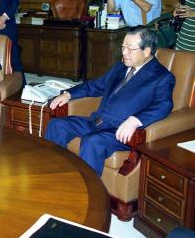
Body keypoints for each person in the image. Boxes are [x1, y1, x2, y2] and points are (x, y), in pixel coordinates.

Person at [45, 26, 175, 176]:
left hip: (119, 132)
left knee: (92, 141)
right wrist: (68, 94)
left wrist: (135, 120)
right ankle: (53, 174)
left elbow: (164, 105)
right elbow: (96, 86)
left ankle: (90, 194)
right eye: (123, 47)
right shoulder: (120, 67)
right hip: (96, 121)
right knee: (57, 124)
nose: (124, 53)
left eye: (130, 49)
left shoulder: (162, 77)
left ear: (146, 51)